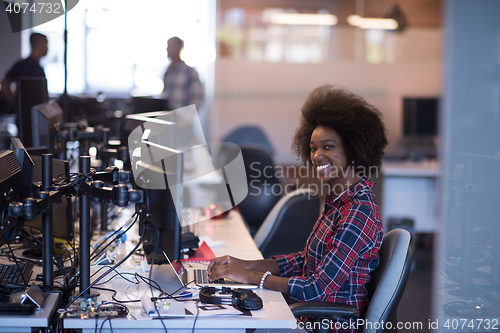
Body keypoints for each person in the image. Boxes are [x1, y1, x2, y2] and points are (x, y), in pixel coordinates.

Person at [208, 84, 388, 331]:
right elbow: (305, 260)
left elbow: (315, 289)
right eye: (313, 148)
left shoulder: (359, 210)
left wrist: (249, 277)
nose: (316, 156)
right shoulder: (338, 200)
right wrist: (243, 264)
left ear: (355, 148)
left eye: (328, 146)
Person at [0, 32, 48, 111]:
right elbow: (4, 83)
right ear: (40, 44)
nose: (47, 48)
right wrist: (15, 102)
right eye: (46, 44)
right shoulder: (29, 67)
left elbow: (4, 83)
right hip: (29, 116)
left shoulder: (23, 64)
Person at [161, 36, 204, 111]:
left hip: (183, 119)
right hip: (169, 117)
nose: (167, 49)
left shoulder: (190, 72)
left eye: (169, 46)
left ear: (178, 48)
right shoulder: (168, 71)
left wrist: (186, 118)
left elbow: (197, 98)